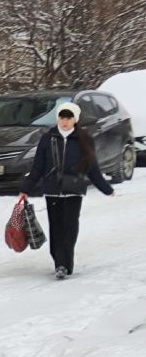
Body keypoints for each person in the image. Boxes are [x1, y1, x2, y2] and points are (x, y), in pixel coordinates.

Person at [19, 101, 114, 280]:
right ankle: (58, 263)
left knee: (70, 228)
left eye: (69, 118)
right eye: (62, 118)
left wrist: (106, 189)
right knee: (56, 227)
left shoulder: (84, 139)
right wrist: (26, 188)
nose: (65, 121)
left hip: (74, 190)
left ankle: (64, 264)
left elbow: (92, 168)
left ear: (75, 119)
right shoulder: (47, 139)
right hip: (52, 189)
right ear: (58, 119)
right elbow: (38, 165)